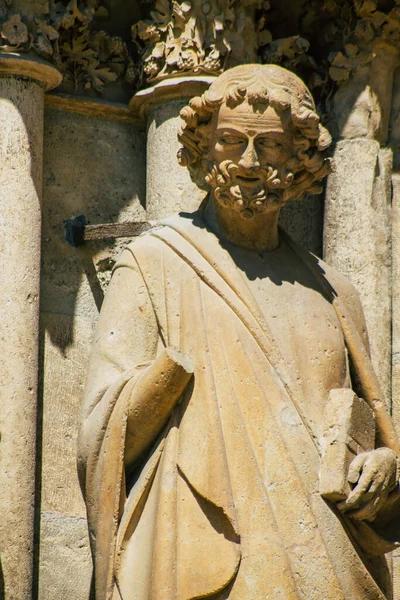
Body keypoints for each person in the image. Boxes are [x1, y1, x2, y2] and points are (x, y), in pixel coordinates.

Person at [78, 64, 400, 600]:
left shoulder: (336, 292)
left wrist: (386, 469)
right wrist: (170, 374)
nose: (248, 163)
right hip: (206, 552)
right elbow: (100, 434)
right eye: (229, 140)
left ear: (300, 159)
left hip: (331, 563)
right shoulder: (157, 262)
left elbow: (380, 435)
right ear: (202, 152)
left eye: (269, 145)